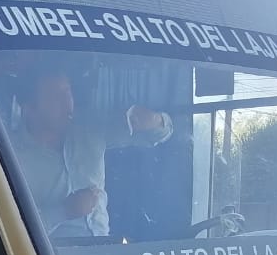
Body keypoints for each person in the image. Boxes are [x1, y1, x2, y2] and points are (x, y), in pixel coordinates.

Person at [15, 67, 172, 238]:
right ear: (29, 109)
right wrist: (63, 212)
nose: (68, 104)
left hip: (105, 250)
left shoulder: (90, 128)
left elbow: (158, 135)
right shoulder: (9, 157)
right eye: (55, 98)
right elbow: (9, 229)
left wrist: (155, 120)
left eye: (68, 93)